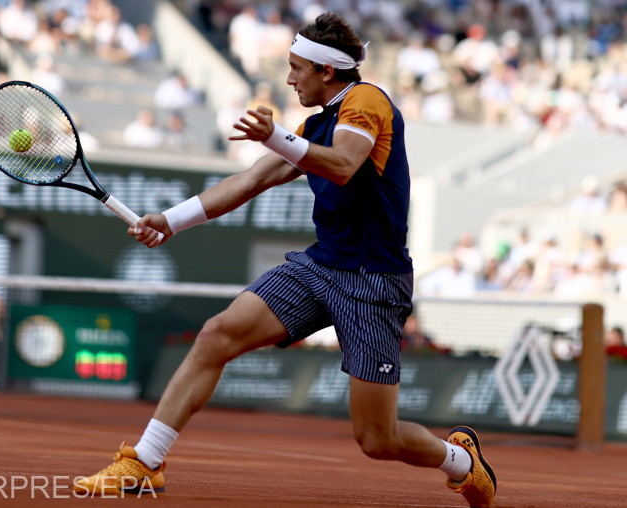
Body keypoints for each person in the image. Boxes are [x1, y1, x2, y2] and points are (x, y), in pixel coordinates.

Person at [73, 12, 496, 508]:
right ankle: (144, 462)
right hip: (319, 267)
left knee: (378, 439)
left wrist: (277, 136)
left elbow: (342, 165)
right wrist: (171, 219)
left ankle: (461, 462)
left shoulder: (366, 101)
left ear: (328, 72)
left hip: (372, 282)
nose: (290, 78)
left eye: (297, 68)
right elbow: (252, 180)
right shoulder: (315, 123)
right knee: (215, 335)